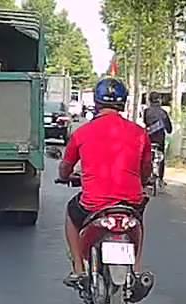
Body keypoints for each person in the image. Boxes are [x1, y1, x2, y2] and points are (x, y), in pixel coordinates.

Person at [58, 77, 153, 289]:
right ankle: (137, 270)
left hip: (94, 205)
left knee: (71, 213)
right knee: (138, 220)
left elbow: (65, 167)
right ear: (123, 103)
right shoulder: (140, 133)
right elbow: (146, 168)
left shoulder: (82, 132)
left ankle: (78, 269)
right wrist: (142, 182)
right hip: (130, 202)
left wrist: (65, 177)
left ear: (96, 102)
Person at [142, 93, 173, 184]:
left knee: (146, 155)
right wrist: (168, 130)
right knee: (161, 156)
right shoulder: (163, 113)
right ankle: (160, 178)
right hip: (160, 138)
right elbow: (169, 128)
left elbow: (145, 122)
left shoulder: (146, 111)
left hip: (149, 137)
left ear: (150, 100)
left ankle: (146, 176)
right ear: (159, 100)